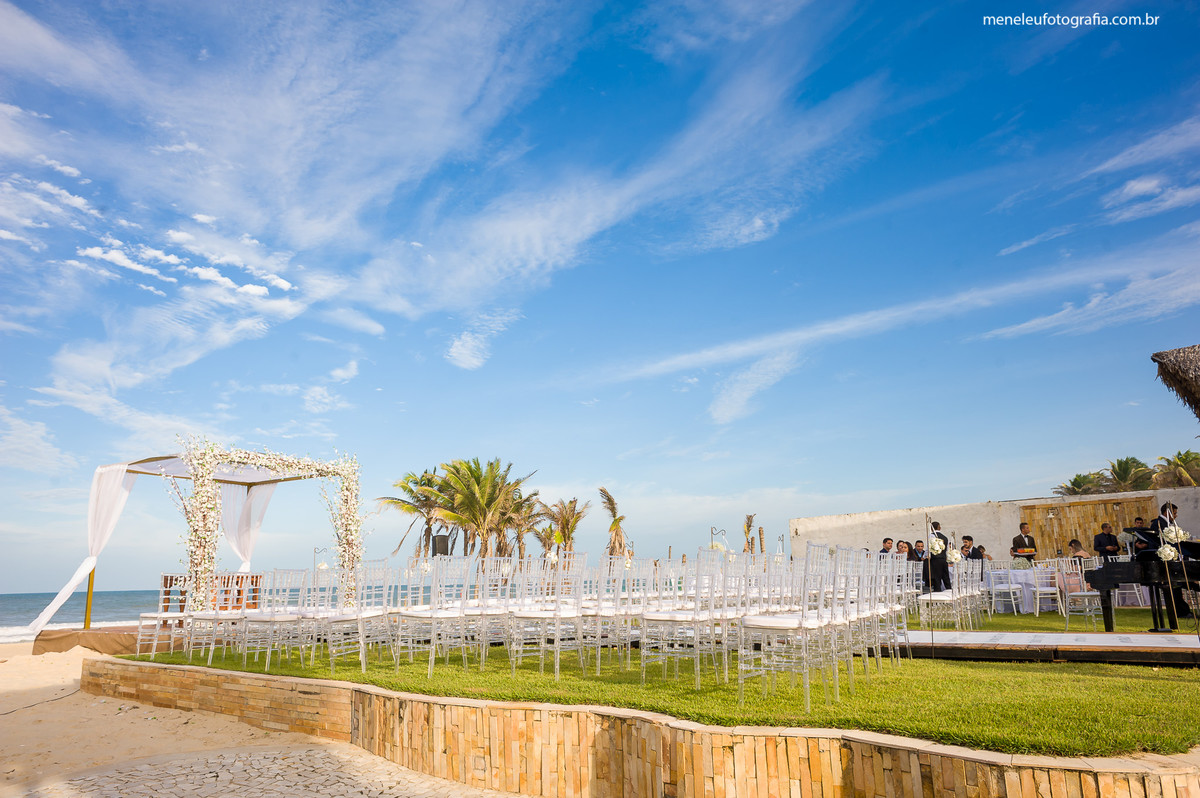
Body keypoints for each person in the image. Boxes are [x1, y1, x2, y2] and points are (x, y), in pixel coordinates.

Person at [927, 521, 952, 592]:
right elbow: (947, 550)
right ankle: (949, 592)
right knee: (946, 578)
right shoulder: (945, 538)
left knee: (936, 578)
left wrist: (925, 556)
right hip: (943, 559)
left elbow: (928, 547)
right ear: (939, 527)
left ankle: (937, 593)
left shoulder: (932, 535)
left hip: (935, 559)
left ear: (932, 528)